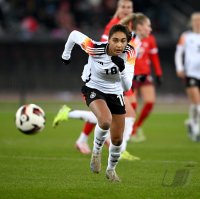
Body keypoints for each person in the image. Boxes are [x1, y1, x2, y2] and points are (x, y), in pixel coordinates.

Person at [57, 24, 136, 182]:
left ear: (128, 42)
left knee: (118, 139)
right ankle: (96, 152)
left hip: (116, 92)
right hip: (93, 88)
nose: (119, 45)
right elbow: (73, 34)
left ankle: (111, 170)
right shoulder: (94, 48)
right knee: (105, 121)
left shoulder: (130, 53)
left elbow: (128, 87)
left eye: (123, 41)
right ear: (108, 40)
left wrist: (121, 68)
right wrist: (66, 55)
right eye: (115, 40)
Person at [74, 0, 134, 154]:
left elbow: (130, 54)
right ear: (118, 9)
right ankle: (118, 148)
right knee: (122, 114)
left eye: (129, 7)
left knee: (116, 114)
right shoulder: (113, 26)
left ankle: (86, 139)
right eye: (123, 7)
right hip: (108, 77)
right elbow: (102, 53)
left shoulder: (130, 26)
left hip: (122, 74)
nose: (126, 10)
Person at [121, 16, 163, 143]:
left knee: (149, 102)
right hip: (129, 75)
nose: (150, 29)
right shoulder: (130, 39)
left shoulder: (145, 40)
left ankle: (133, 128)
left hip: (143, 74)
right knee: (131, 105)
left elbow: (154, 57)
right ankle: (124, 132)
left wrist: (158, 73)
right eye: (148, 26)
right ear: (139, 26)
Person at [175, 12, 200, 142]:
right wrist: (180, 68)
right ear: (192, 22)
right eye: (195, 20)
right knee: (198, 104)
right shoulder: (186, 36)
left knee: (195, 104)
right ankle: (196, 130)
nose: (197, 23)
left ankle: (191, 123)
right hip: (191, 73)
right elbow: (179, 53)